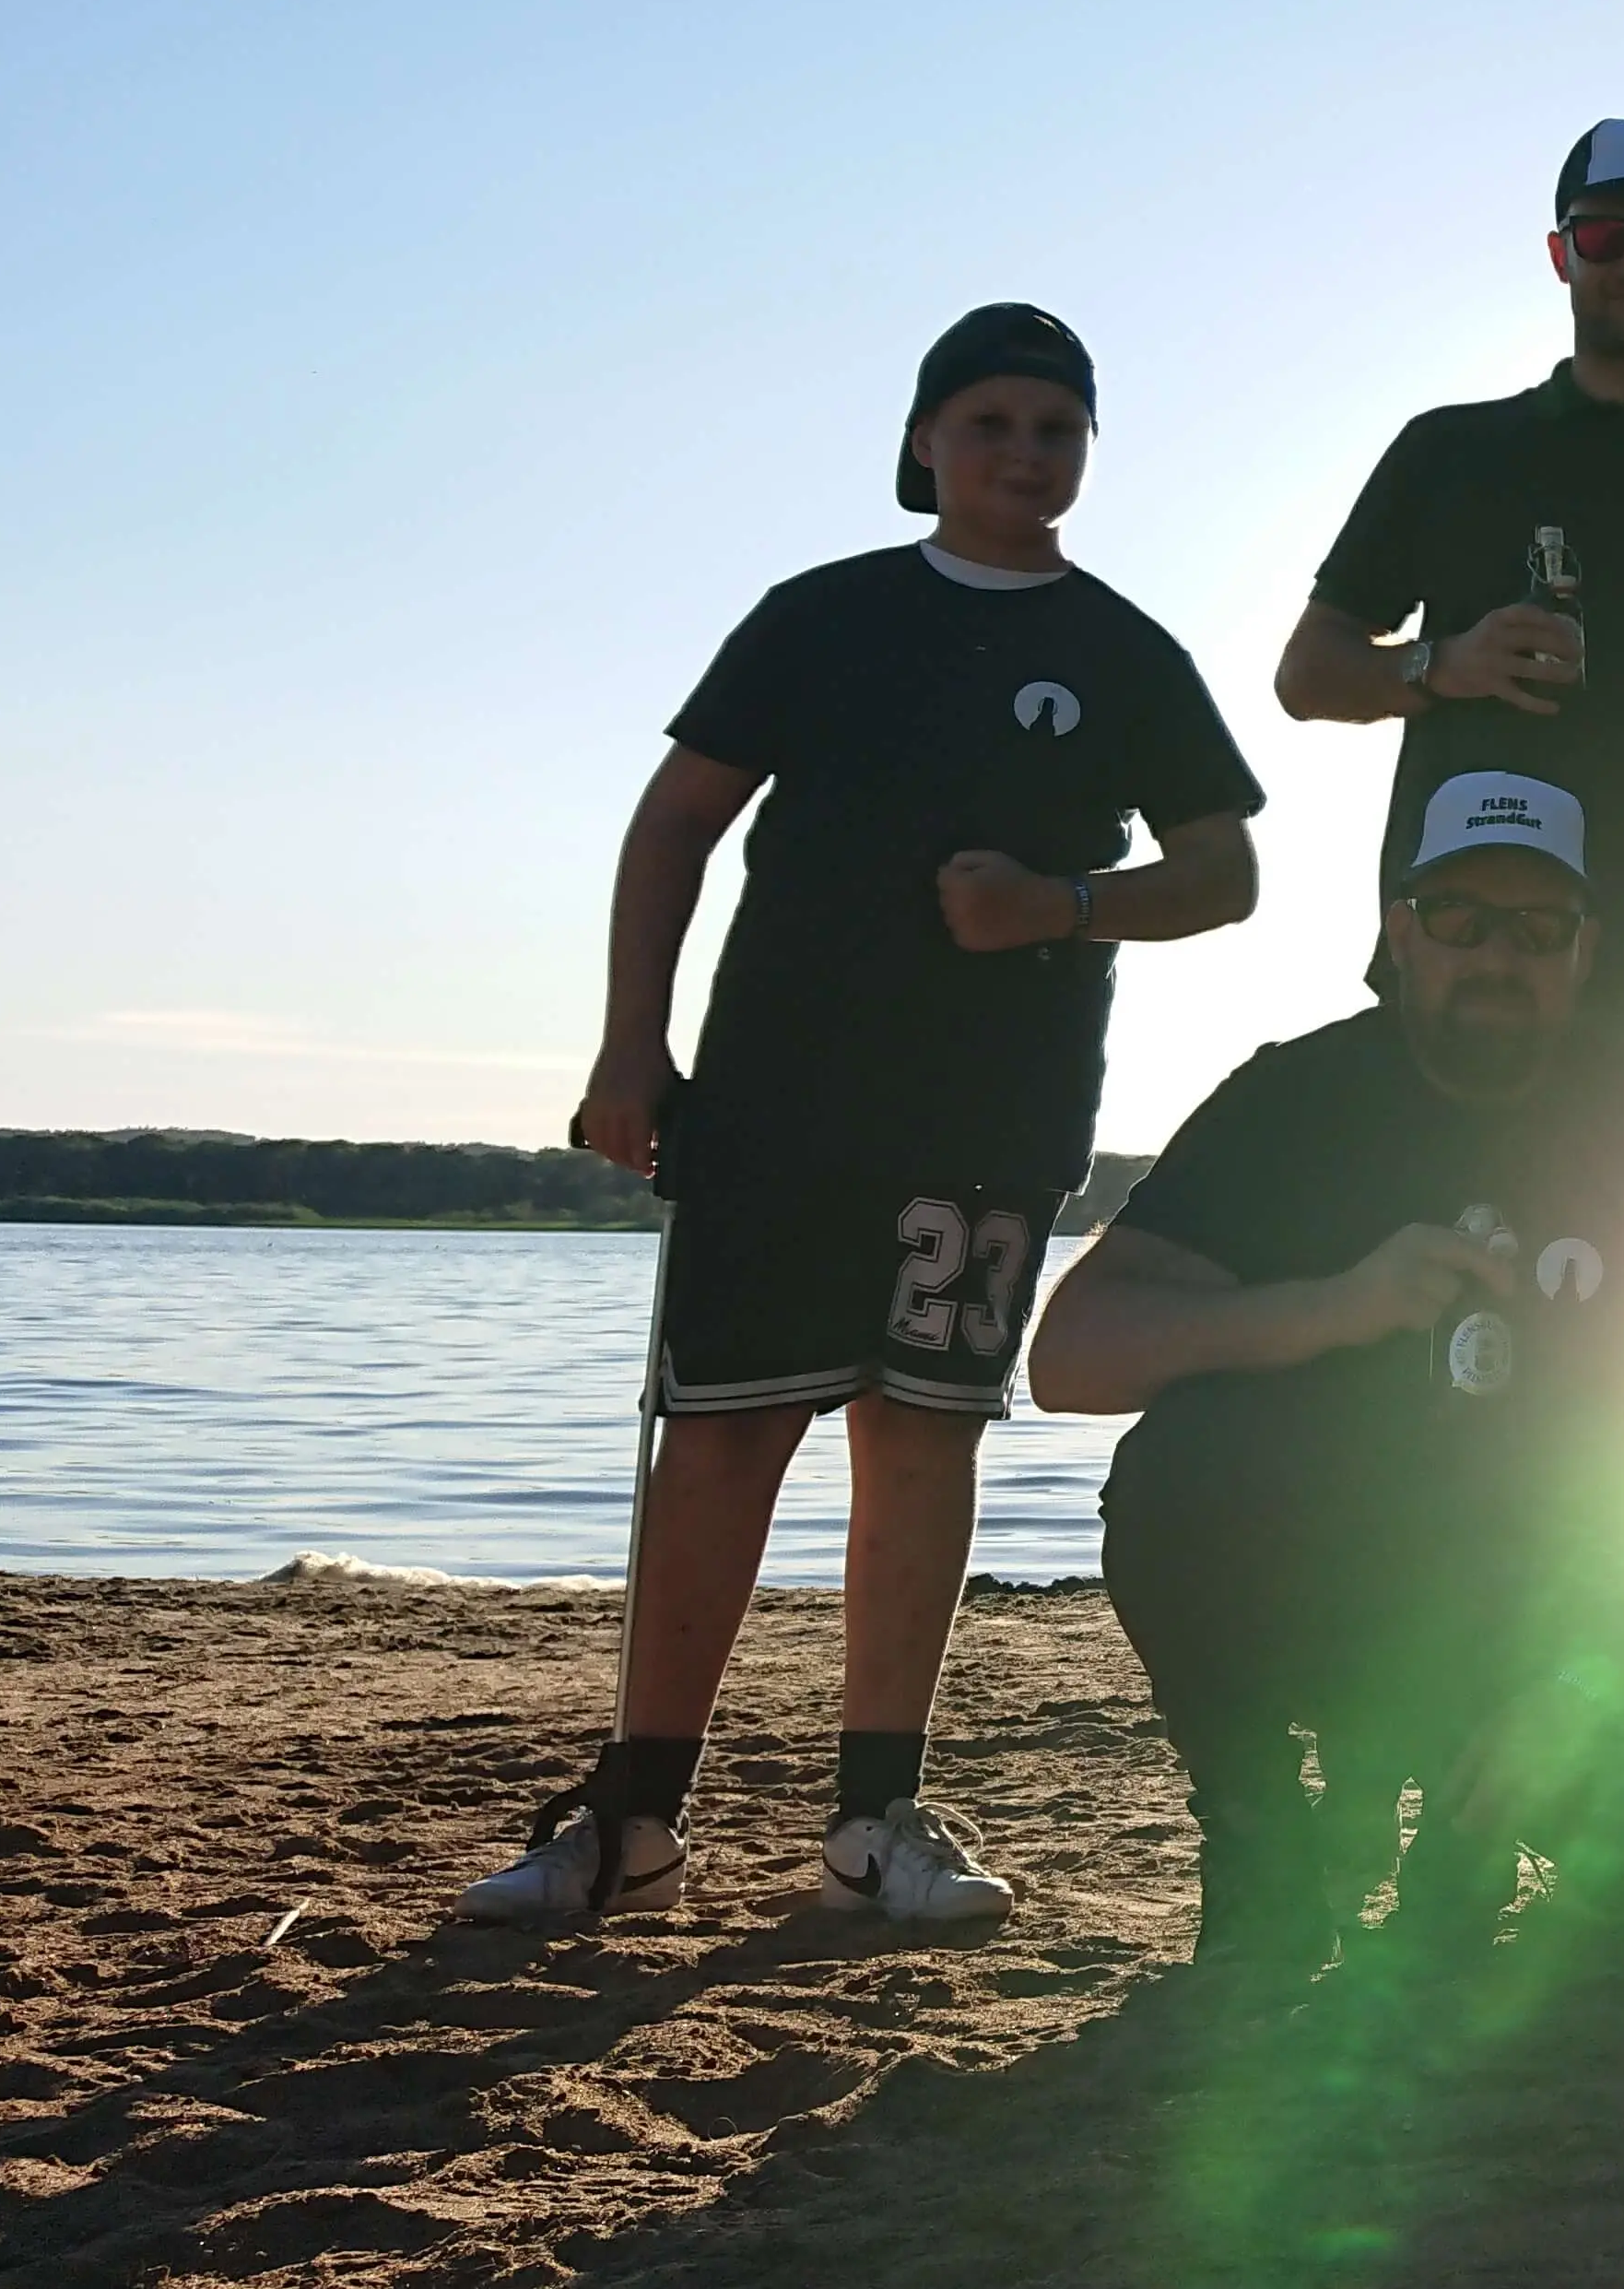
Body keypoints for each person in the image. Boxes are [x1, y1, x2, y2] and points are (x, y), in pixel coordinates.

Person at [463, 303, 1263, 1929]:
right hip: (773, 1103)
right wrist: (632, 1045)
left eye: (1055, 430)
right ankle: (631, 1818)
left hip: (988, 1120)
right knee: (723, 1438)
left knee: (919, 1444)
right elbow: (676, 822)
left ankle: (876, 1820)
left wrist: (1057, 904)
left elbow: (1223, 874)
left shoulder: (1121, 648)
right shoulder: (816, 618)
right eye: (990, 425)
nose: (1023, 456)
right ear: (922, 444)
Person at [1031, 773, 1624, 1977]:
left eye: (1538, 929)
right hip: (1321, 1568)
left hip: (1540, 1608)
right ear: (1399, 933)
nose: (1498, 956)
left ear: (1585, 953)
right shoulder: (1290, 1099)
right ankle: (1266, 1851)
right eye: (1460, 919)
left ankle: (1465, 1835)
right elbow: (1069, 1354)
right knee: (1171, 1474)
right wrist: (1333, 1308)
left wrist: (1581, 1689)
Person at [1273, 119, 1624, 1108]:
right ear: (1559, 254)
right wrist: (1436, 664)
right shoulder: (1451, 452)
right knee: (1437, 1261)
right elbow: (1306, 675)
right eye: (1604, 236)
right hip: (1459, 981)